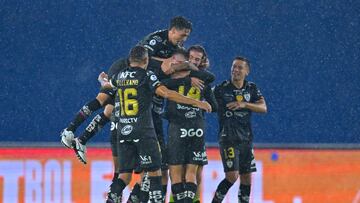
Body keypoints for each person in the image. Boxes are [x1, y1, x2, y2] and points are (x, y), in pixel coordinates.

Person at [101, 46, 211, 203]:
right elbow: (167, 93)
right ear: (146, 60)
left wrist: (102, 80)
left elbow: (107, 85)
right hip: (143, 132)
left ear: (130, 60)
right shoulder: (147, 75)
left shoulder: (120, 75)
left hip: (123, 132)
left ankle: (111, 199)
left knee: (124, 176)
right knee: (155, 173)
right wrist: (197, 103)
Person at [211, 56, 267, 203]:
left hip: (246, 140)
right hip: (228, 138)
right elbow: (206, 100)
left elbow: (263, 107)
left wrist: (245, 104)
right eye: (233, 67)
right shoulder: (221, 88)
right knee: (232, 176)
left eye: (239, 67)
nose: (235, 70)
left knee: (247, 177)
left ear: (247, 71)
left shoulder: (252, 88)